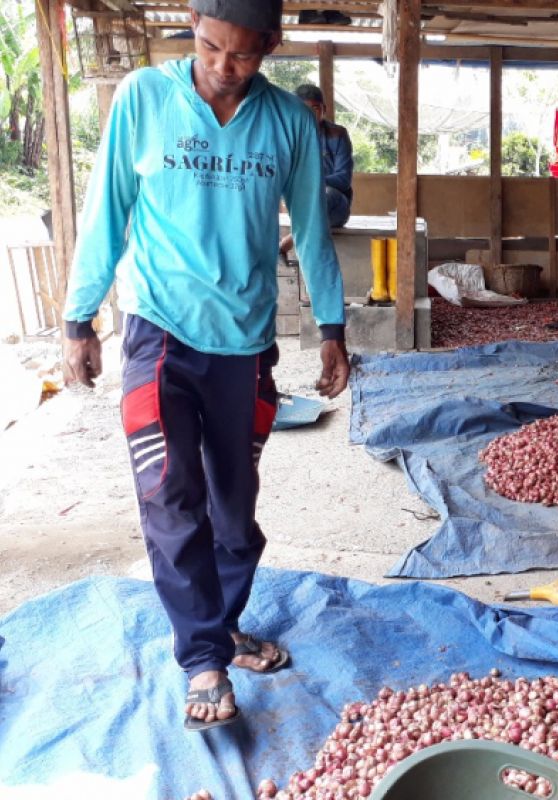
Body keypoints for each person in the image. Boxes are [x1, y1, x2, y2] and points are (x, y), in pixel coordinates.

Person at [60, 0, 350, 732]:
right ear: (192, 25)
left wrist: (333, 328)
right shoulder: (146, 99)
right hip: (158, 336)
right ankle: (203, 661)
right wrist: (79, 318)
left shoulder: (288, 123)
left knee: (234, 514)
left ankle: (218, 628)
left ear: (273, 47)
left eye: (244, 55)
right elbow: (107, 209)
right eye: (211, 46)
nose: (223, 67)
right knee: (169, 496)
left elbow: (314, 229)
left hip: (245, 347)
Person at [279, 83, 353, 256]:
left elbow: (343, 179)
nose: (310, 114)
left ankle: (286, 244)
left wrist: (310, 182)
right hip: (299, 207)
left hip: (334, 208)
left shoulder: (338, 134)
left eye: (315, 108)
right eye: (304, 109)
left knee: (327, 194)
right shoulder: (286, 138)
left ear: (324, 110)